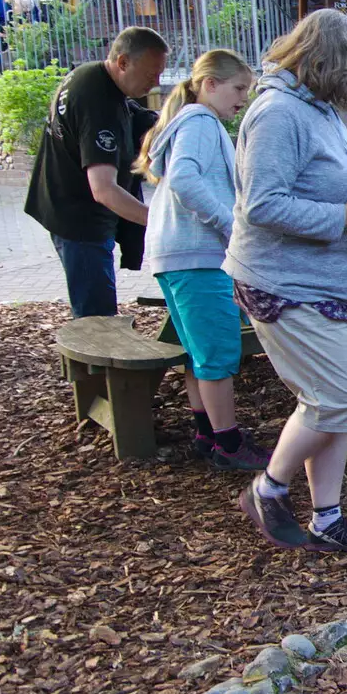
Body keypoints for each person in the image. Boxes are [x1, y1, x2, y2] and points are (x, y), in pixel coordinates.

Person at [227, 9, 347, 555]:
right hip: (285, 283)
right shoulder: (277, 113)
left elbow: (338, 183)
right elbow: (262, 204)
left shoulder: (317, 109)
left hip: (334, 285)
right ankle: (267, 489)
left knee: (337, 402)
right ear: (327, 64)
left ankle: (328, 518)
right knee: (335, 399)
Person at [134, 49, 272, 470]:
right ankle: (229, 446)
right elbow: (183, 179)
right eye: (238, 89)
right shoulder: (199, 121)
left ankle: (208, 433)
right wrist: (229, 225)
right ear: (209, 84)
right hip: (197, 256)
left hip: (176, 255)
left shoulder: (193, 120)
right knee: (217, 354)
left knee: (199, 353)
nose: (243, 99)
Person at [23, 26, 168, 317]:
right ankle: (97, 363)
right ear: (123, 62)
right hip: (80, 221)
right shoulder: (98, 103)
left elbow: (130, 112)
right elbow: (103, 189)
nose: (155, 83)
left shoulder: (91, 75)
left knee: (95, 310)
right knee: (97, 319)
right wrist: (162, 222)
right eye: (151, 74)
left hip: (60, 203)